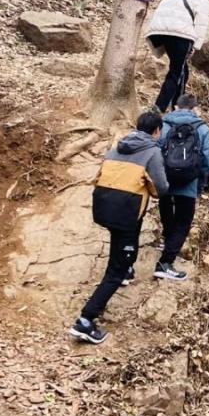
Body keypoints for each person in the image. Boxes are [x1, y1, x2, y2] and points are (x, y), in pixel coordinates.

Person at [70, 111, 168, 345]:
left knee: (126, 246)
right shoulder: (152, 151)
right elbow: (161, 187)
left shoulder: (117, 147)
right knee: (115, 268)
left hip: (105, 207)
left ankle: (126, 269)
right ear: (156, 131)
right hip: (125, 213)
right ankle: (86, 320)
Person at [156, 94, 209, 280]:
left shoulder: (164, 124)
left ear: (175, 107)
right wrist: (201, 181)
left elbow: (156, 150)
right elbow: (207, 159)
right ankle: (165, 262)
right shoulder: (202, 128)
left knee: (166, 207)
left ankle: (168, 241)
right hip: (188, 180)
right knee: (183, 221)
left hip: (165, 177)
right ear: (195, 108)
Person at [145, 0, 209, 112]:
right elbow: (201, 25)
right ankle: (165, 107)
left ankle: (175, 105)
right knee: (177, 73)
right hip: (180, 36)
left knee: (183, 71)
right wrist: (195, 46)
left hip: (160, 33)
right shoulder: (202, 0)